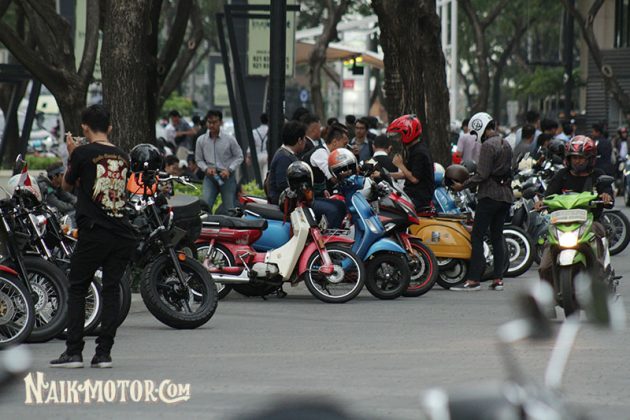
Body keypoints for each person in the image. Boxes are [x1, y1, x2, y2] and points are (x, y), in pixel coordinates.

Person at [50, 104, 137, 368]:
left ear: (84, 128)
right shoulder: (123, 156)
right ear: (109, 127)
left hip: (94, 231)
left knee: (78, 287)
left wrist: (71, 153)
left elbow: (67, 185)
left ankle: (74, 352)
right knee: (111, 290)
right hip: (122, 232)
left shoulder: (82, 153)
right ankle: (104, 354)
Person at [535, 136, 613, 285]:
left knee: (598, 241)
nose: (577, 161)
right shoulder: (562, 175)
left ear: (590, 159)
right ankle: (549, 295)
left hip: (590, 223)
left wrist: (606, 196)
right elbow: (548, 196)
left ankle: (602, 279)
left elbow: (608, 195)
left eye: (581, 158)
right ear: (568, 159)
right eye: (574, 158)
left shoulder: (597, 175)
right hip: (561, 224)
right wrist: (541, 202)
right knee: (544, 267)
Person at [450, 112, 513, 291]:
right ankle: (498, 279)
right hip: (505, 196)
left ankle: (473, 280)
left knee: (477, 236)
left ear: (480, 127)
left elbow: (482, 175)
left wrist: (462, 186)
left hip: (489, 196)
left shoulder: (487, 145)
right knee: (497, 236)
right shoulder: (506, 143)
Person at [195, 109, 244, 212]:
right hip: (210, 177)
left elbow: (239, 156)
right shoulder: (201, 140)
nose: (211, 125)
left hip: (227, 177)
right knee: (205, 205)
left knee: (229, 208)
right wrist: (206, 169)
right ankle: (206, 222)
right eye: (209, 122)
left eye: (214, 122)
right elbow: (198, 159)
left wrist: (229, 170)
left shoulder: (229, 139)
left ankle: (230, 221)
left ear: (220, 122)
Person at [386, 115, 435, 210]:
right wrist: (385, 175)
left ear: (408, 133)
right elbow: (407, 174)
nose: (398, 139)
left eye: (400, 135)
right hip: (414, 195)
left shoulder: (419, 152)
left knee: (387, 207)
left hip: (418, 198)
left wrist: (400, 165)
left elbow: (414, 179)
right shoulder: (415, 148)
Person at [267, 120, 306, 205]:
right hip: (285, 204)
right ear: (299, 140)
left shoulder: (287, 154)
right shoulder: (284, 157)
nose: (305, 141)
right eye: (304, 138)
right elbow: (282, 184)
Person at [249, 112, 269, 179]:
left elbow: (251, 145)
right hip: (267, 156)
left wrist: (248, 156)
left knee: (258, 176)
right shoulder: (270, 131)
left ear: (260, 120)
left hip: (257, 156)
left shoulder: (255, 132)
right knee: (265, 175)